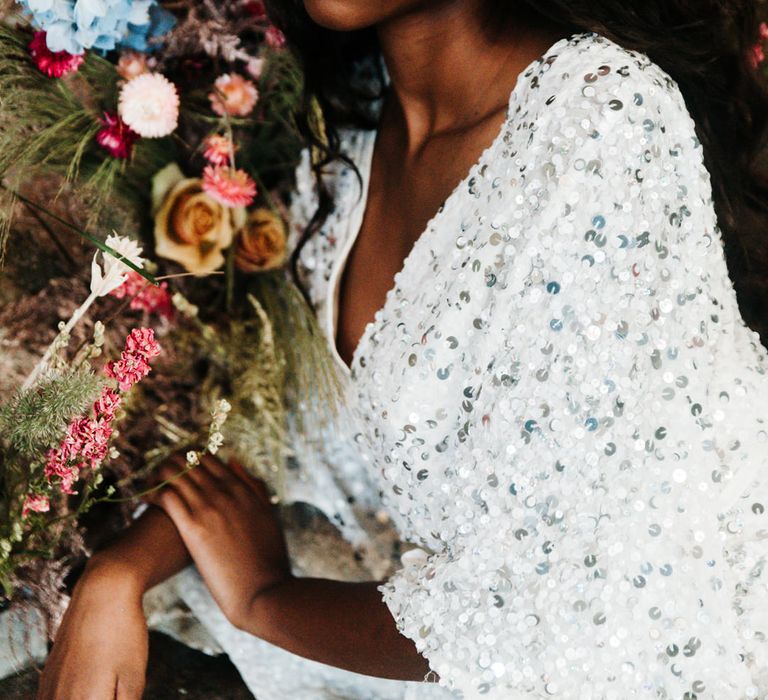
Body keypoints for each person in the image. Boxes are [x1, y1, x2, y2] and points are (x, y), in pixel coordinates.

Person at [38, 1, 768, 698]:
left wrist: (265, 600)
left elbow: (563, 609)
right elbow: (294, 439)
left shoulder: (599, 122)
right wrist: (121, 571)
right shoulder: (348, 135)